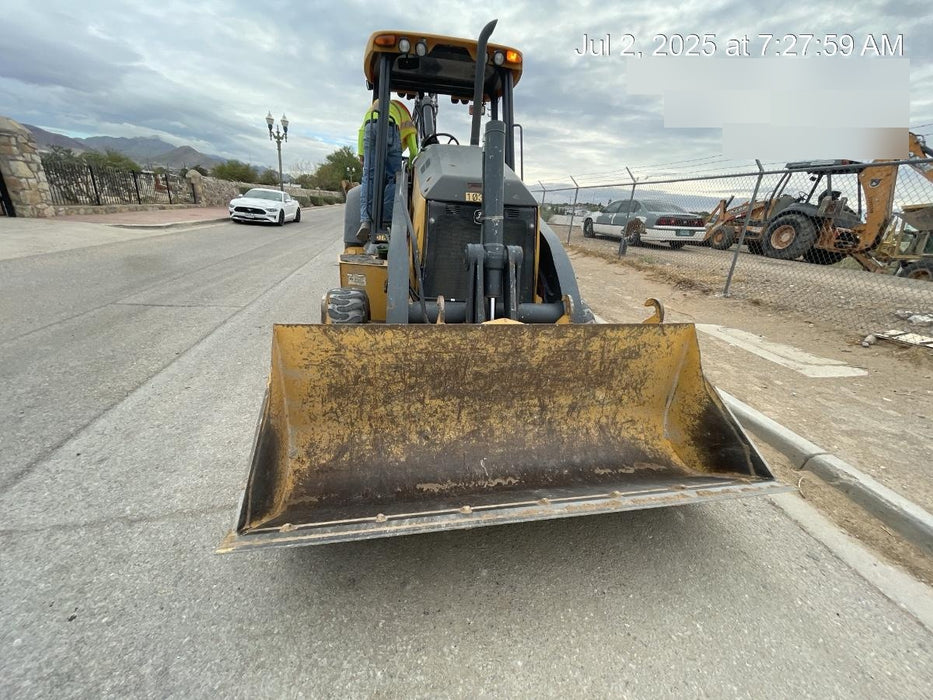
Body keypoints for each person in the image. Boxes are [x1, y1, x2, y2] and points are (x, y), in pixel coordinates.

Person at [356, 98, 418, 242]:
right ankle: (387, 221)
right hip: (391, 127)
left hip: (369, 128)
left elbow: (361, 130)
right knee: (393, 178)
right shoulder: (406, 118)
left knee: (369, 177)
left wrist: (362, 156)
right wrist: (412, 164)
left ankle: (365, 220)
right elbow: (413, 148)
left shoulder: (374, 107)